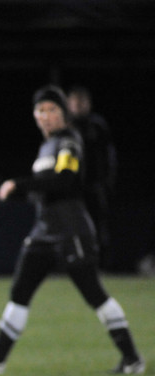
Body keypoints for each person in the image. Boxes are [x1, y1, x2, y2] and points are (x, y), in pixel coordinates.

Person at [0, 85, 144, 376]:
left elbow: (66, 180)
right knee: (20, 291)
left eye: (52, 110)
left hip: (71, 231)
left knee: (94, 294)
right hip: (44, 232)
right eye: (41, 110)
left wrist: (19, 186)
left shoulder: (69, 141)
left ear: (64, 114)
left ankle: (132, 359)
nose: (46, 116)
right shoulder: (46, 146)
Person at [66, 85, 117, 269]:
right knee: (70, 228)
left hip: (94, 188)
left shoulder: (97, 126)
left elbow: (108, 156)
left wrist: (106, 182)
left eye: (82, 102)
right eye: (75, 102)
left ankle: (101, 266)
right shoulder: (65, 126)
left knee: (97, 227)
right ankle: (72, 266)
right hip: (72, 189)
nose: (78, 106)